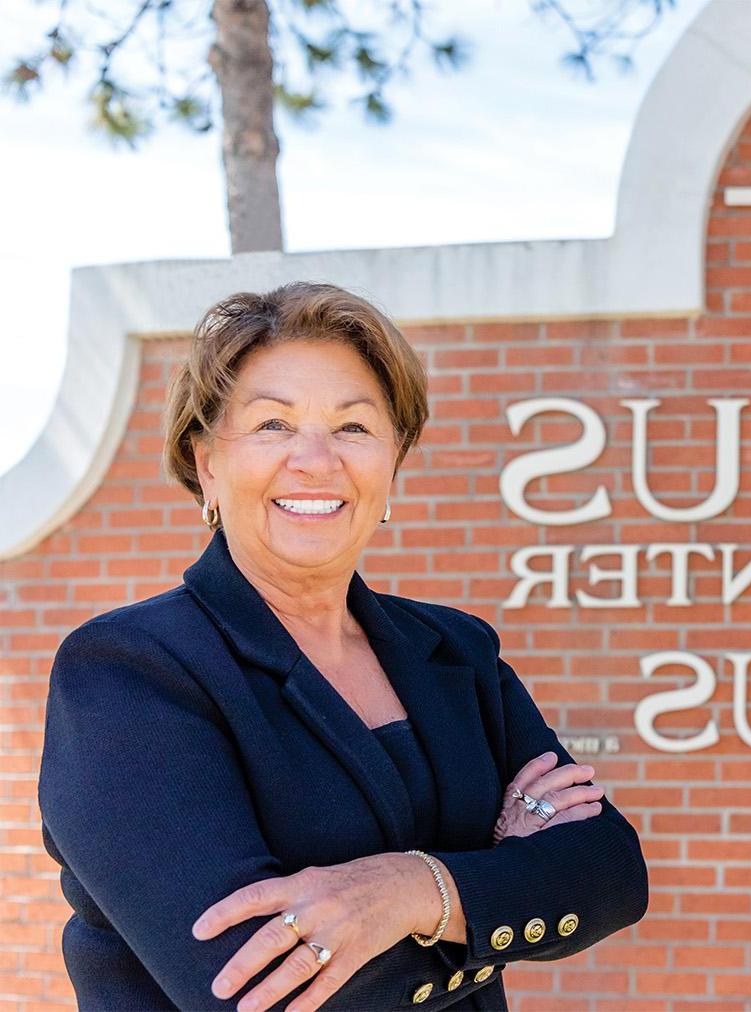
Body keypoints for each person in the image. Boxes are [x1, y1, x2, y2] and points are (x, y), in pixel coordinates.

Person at [36, 281, 649, 1011]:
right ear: (206, 465)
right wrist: (500, 879)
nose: (316, 460)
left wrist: (417, 890)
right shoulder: (130, 672)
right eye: (272, 425)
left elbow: (611, 873)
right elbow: (250, 988)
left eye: (354, 427)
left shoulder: (457, 651)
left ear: (393, 462)